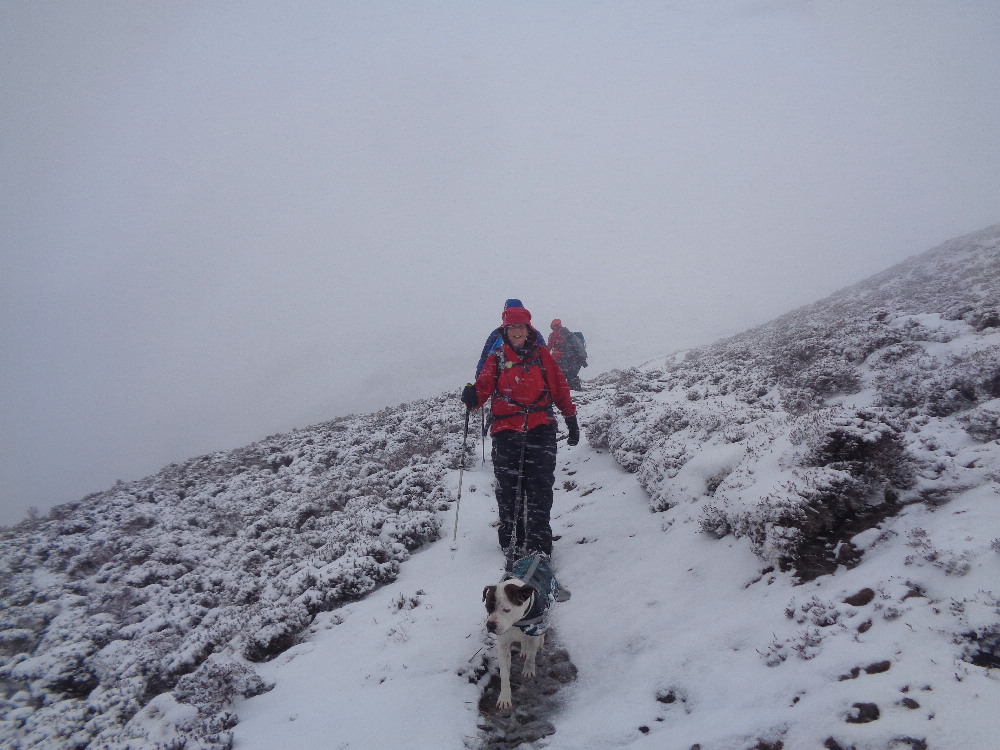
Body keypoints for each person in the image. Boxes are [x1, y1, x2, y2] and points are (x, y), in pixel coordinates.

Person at [461, 305, 579, 568]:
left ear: (528, 330)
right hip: (506, 433)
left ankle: (539, 545)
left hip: (540, 428)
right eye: (512, 327)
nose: (516, 331)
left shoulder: (542, 356)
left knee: (540, 489)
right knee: (509, 491)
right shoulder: (497, 358)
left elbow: (559, 387)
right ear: (505, 331)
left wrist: (570, 418)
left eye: (520, 327)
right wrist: (472, 397)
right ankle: (512, 541)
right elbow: (482, 390)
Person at [476, 299, 545, 377]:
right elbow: (544, 355)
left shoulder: (497, 333)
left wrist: (480, 371)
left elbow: (485, 355)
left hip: (502, 378)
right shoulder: (533, 333)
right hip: (531, 377)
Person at [548, 319, 587, 390]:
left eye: (556, 327)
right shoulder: (552, 336)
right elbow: (548, 347)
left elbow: (578, 347)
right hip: (558, 359)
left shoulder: (568, 335)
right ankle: (567, 393)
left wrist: (582, 358)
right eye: (553, 327)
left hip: (571, 359)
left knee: (571, 376)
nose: (554, 329)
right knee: (559, 377)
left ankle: (575, 393)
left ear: (560, 326)